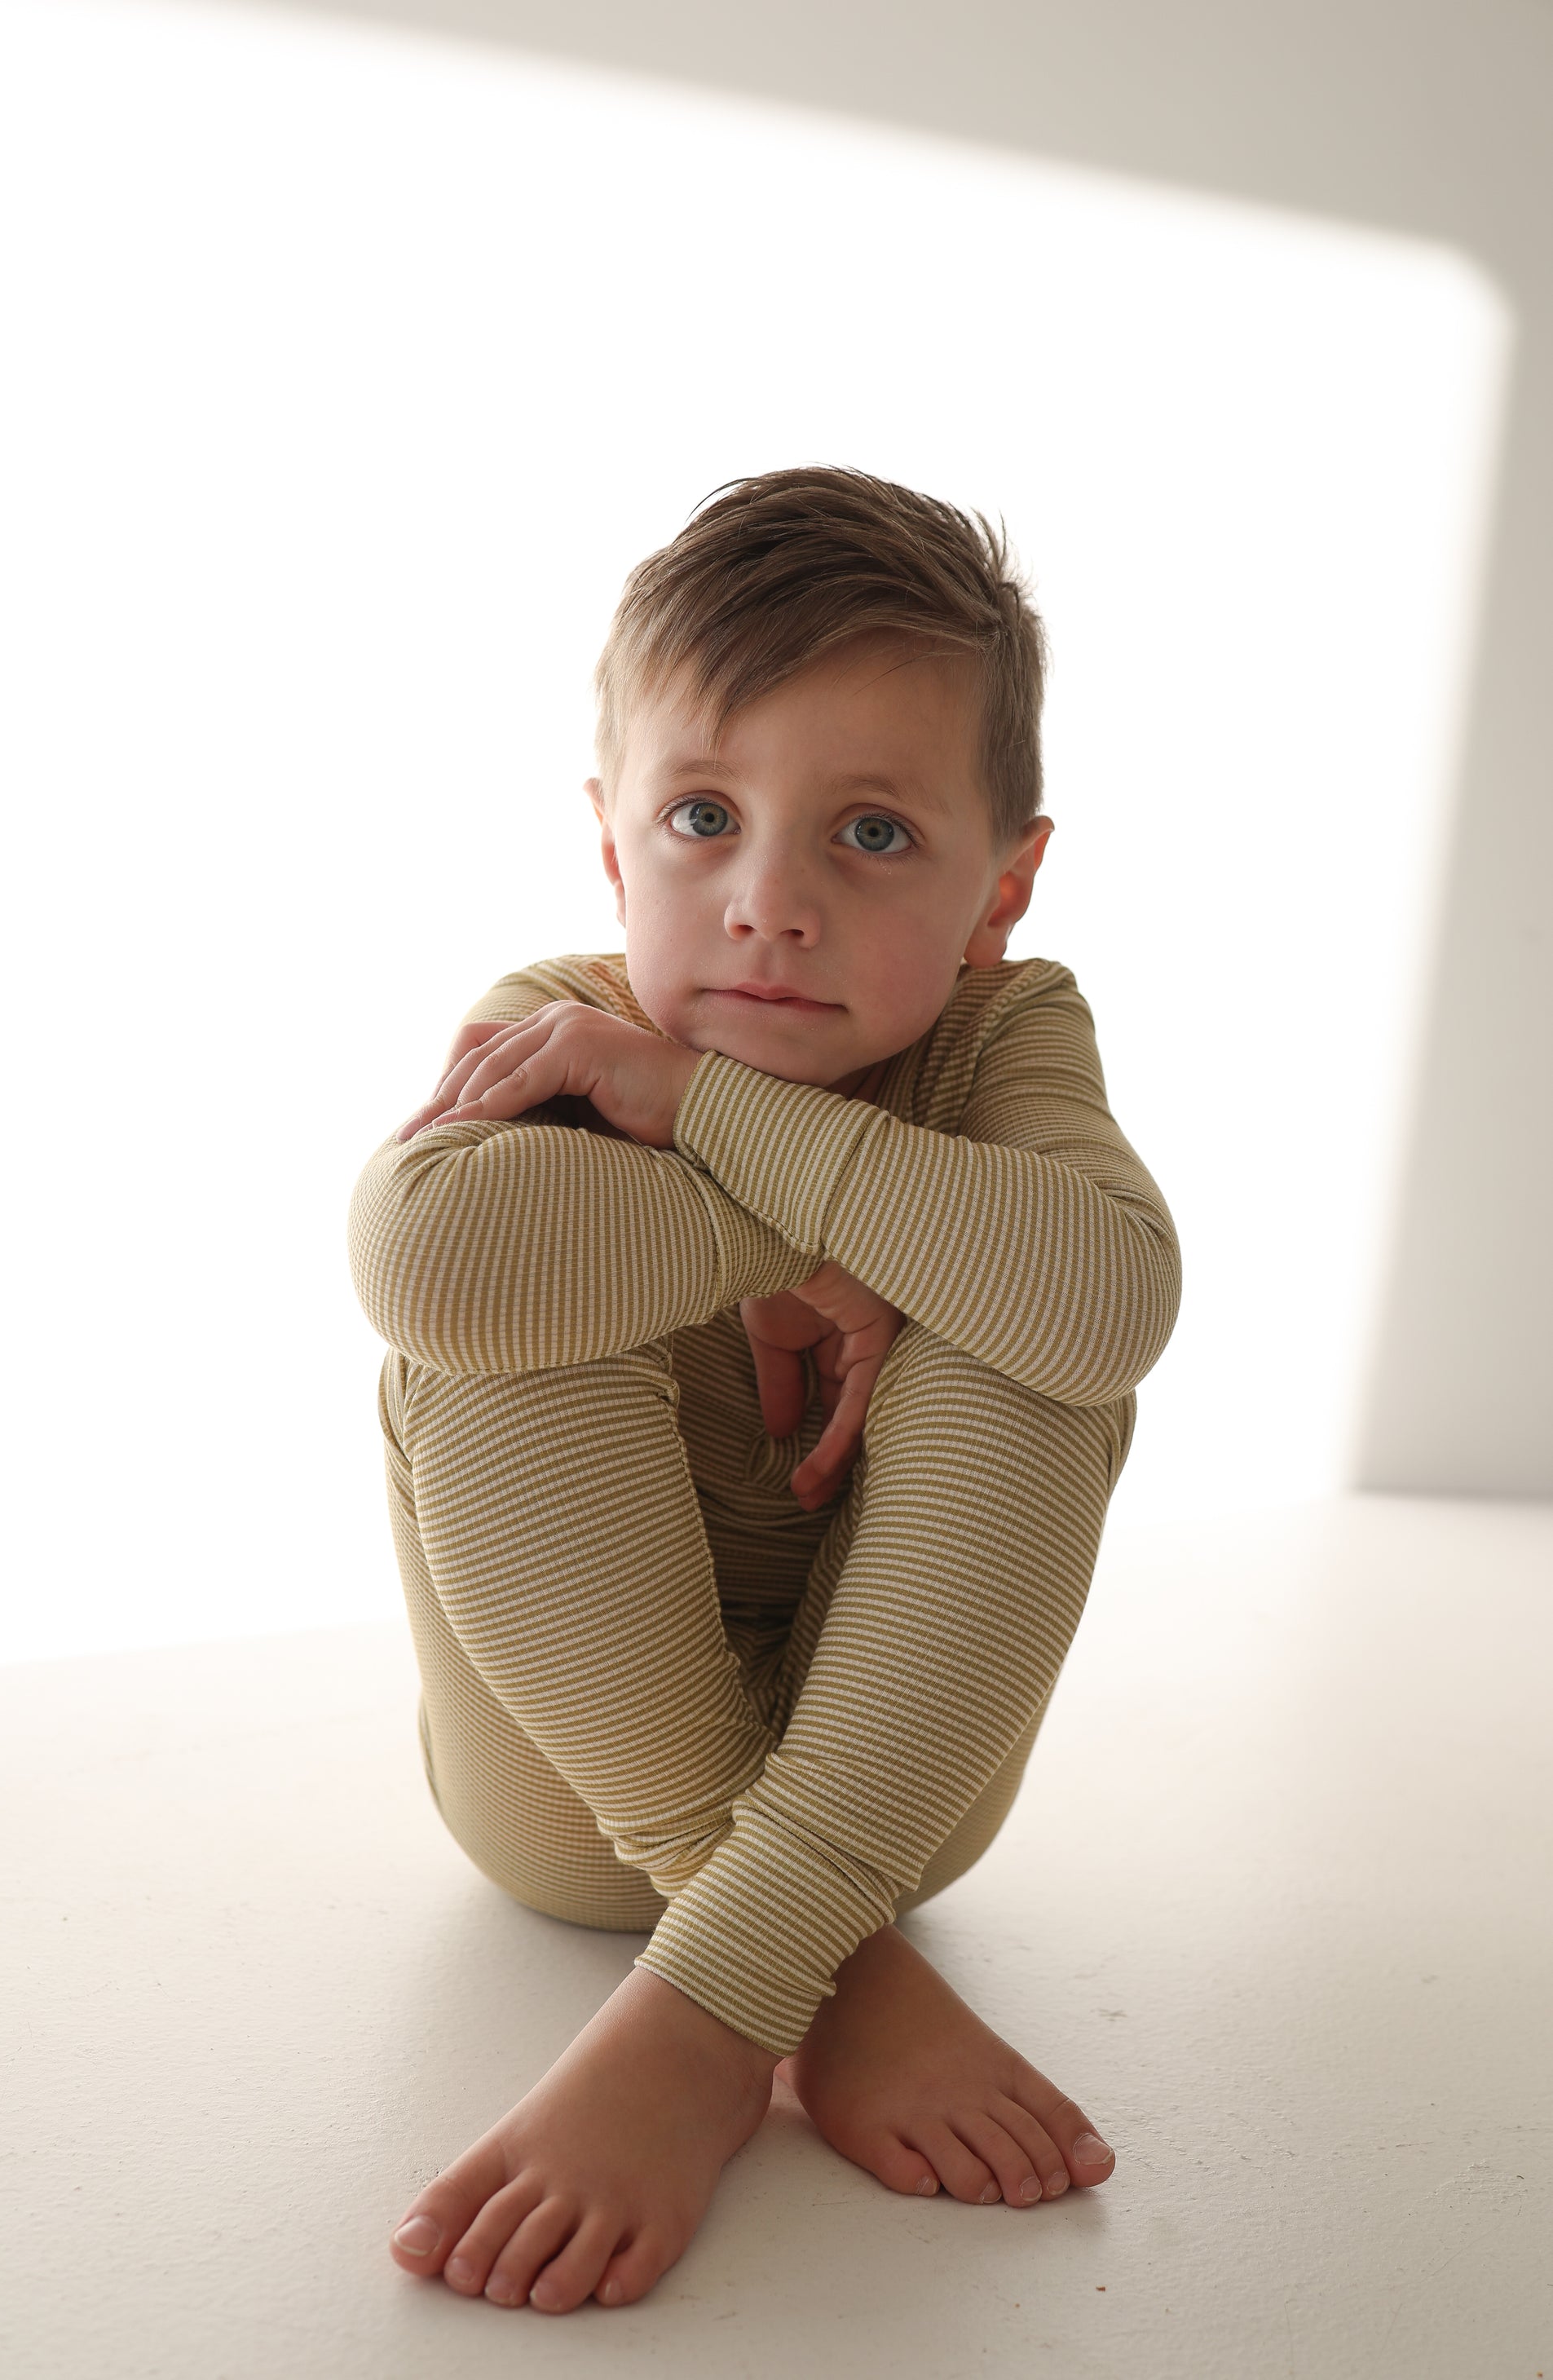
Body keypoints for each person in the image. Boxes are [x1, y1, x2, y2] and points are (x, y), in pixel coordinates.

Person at [347, 465, 1180, 2316]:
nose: (767, 904)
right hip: (565, 1801)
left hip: (893, 1772)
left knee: (1035, 1323)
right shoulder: (566, 1030)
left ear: (1004, 883)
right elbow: (428, 1261)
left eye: (870, 834)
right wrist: (817, 1244)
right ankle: (815, 1970)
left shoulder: (1002, 1038)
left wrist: (706, 1117)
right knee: (480, 1331)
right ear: (612, 846)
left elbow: (1115, 1299)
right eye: (704, 817)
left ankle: (717, 1991)